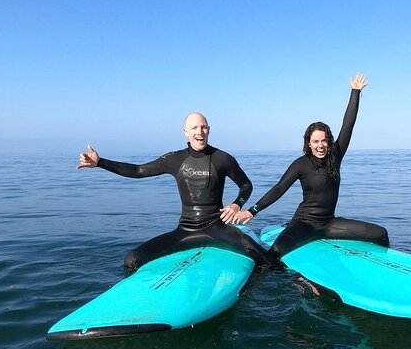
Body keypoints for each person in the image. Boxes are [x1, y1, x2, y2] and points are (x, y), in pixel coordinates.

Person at [77, 112, 274, 270]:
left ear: (209, 130)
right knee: (131, 260)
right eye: (195, 127)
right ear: (186, 132)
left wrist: (236, 203)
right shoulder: (174, 159)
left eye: (204, 127)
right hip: (186, 230)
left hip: (218, 228)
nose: (200, 131)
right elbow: (137, 171)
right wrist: (100, 162)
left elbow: (246, 185)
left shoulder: (222, 158)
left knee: (267, 260)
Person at [234, 73, 389, 258]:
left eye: (324, 141)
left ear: (329, 141)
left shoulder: (335, 157)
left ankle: (383, 263)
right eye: (315, 141)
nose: (320, 145)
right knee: (275, 252)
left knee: (380, 233)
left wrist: (355, 92)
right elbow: (279, 189)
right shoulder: (301, 164)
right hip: (304, 223)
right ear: (308, 143)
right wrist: (252, 211)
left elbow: (348, 125)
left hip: (329, 224)